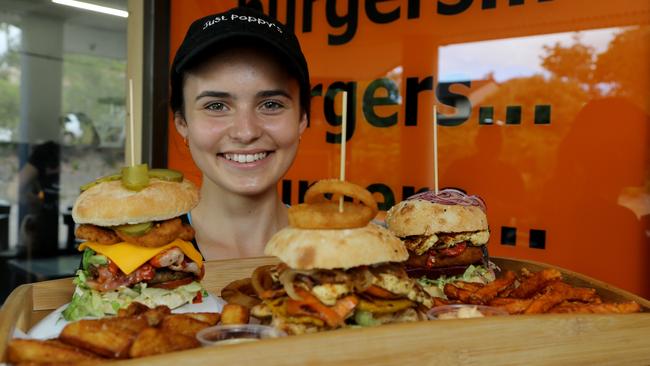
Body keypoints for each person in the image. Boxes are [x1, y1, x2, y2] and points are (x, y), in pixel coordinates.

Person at [170, 7, 310, 260]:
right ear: (182, 123)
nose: (246, 132)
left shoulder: (340, 252)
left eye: (271, 104)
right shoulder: (125, 259)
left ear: (302, 119)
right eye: (216, 106)